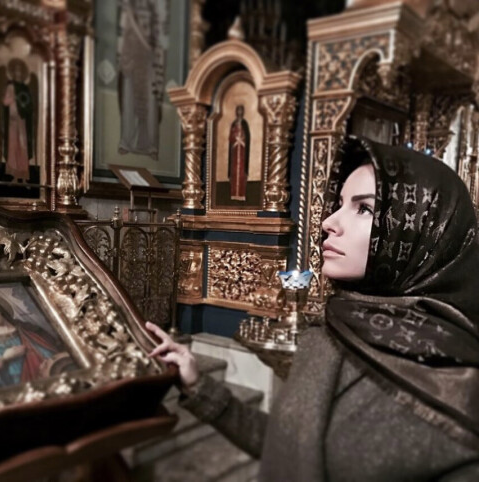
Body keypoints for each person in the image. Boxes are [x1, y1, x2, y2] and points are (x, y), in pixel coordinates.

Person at [146, 136, 479, 481]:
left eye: (364, 209)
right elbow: (291, 449)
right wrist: (198, 385)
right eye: (340, 204)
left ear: (423, 233)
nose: (329, 222)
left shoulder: (454, 385)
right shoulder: (333, 330)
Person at [2, 58, 33, 183]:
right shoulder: (10, 86)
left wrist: (23, 106)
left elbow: (29, 105)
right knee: (13, 147)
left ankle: (24, 176)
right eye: (15, 71)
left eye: (20, 71)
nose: (17, 73)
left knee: (23, 146)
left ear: (22, 73)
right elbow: (5, 102)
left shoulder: (24, 88)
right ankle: (15, 176)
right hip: (12, 122)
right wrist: (13, 98)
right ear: (13, 73)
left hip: (22, 121)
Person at [228, 104, 250, 201]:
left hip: (242, 151)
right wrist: (235, 139)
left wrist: (242, 141)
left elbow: (247, 138)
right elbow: (231, 138)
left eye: (241, 110)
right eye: (238, 110)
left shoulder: (244, 124)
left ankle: (241, 194)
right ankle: (233, 194)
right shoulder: (234, 124)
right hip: (235, 151)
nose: (239, 112)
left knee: (241, 171)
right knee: (234, 171)